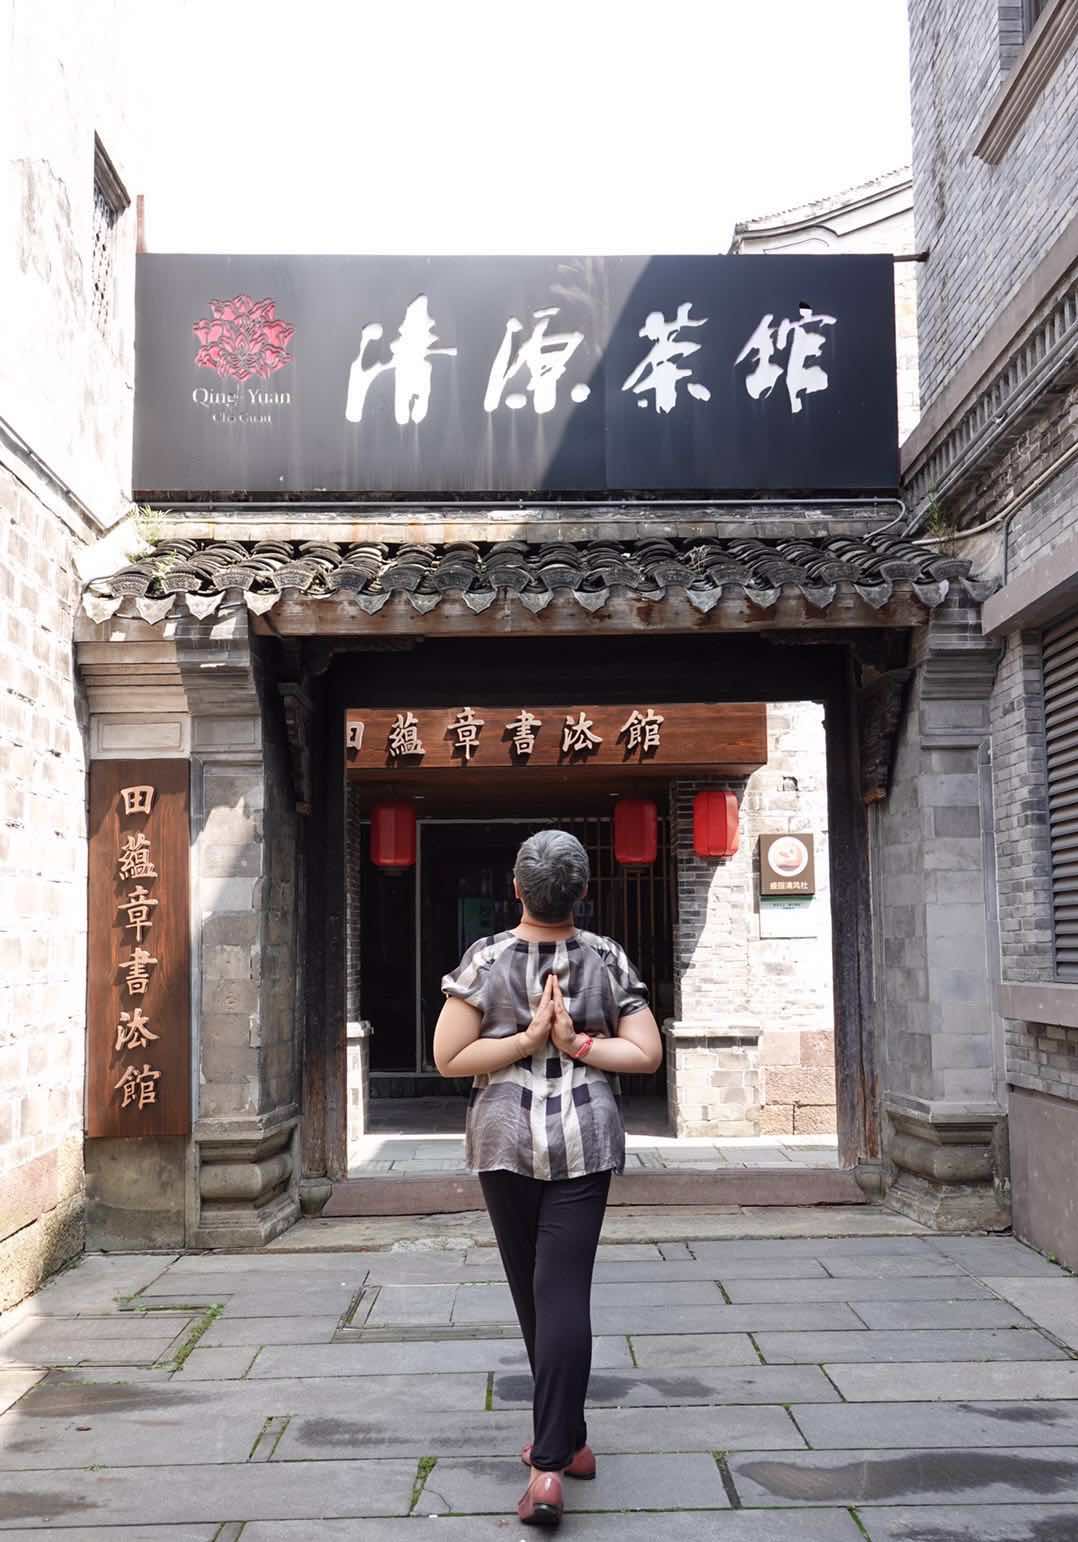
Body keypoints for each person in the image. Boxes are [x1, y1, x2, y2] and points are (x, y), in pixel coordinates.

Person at [433, 828, 663, 1528]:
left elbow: (448, 1057)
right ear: (581, 891)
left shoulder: (487, 958)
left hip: (505, 1139)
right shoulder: (606, 957)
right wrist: (576, 1043)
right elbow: (646, 1054)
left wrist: (526, 1042)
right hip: (586, 1139)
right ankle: (572, 1439)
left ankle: (548, 1468)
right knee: (559, 1293)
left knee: (538, 1298)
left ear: (516, 888)